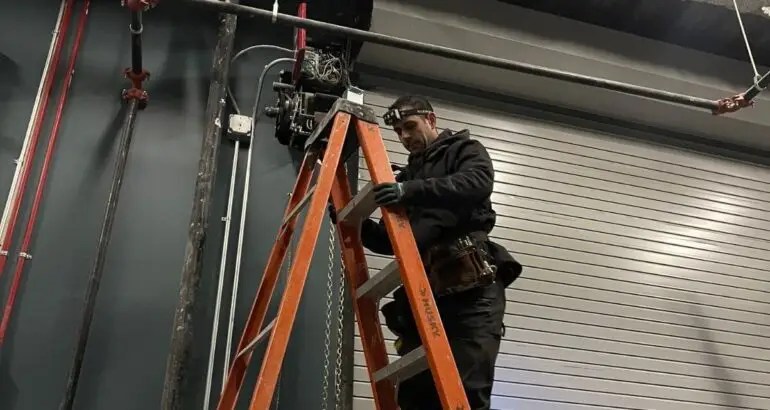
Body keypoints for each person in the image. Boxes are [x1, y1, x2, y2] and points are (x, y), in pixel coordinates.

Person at [333, 95, 522, 409]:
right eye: (398, 132)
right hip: (427, 297)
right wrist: (354, 221)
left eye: (410, 126)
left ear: (431, 120)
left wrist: (410, 191)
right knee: (416, 396)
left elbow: (476, 182)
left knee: (465, 394)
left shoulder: (463, 150)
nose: (405, 136)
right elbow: (390, 240)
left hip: (471, 295)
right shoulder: (407, 176)